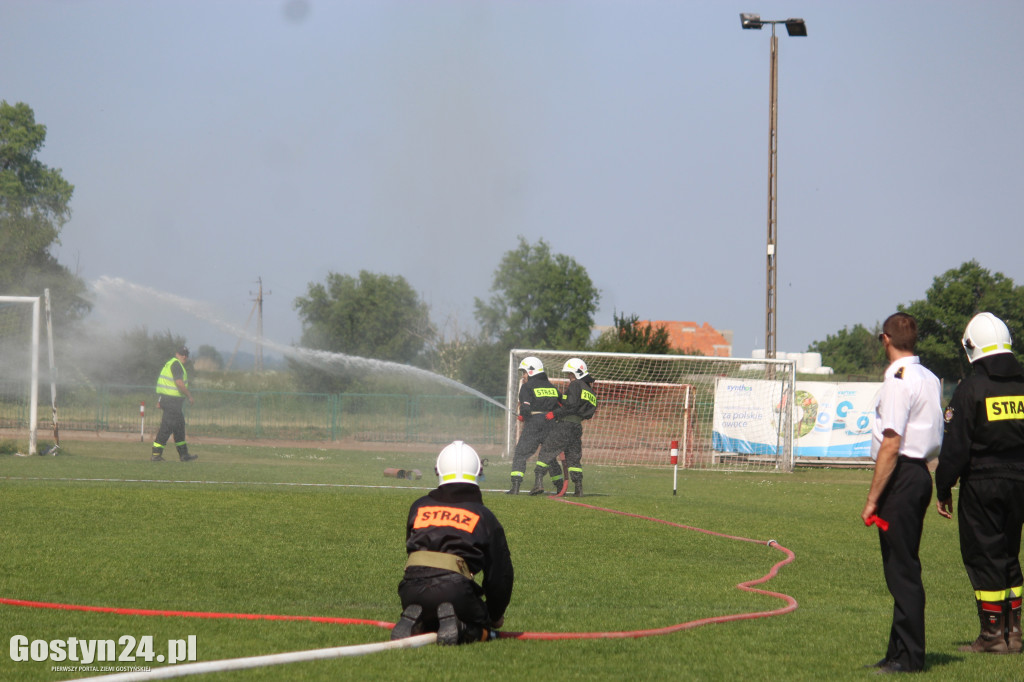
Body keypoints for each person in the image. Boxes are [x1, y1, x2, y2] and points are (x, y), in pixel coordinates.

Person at [934, 312, 1024, 655]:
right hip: (1020, 484)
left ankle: (991, 636)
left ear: (972, 347)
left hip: (983, 485)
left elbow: (955, 447)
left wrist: (943, 488)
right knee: (1009, 554)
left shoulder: (971, 389)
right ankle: (1013, 634)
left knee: (983, 556)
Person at [861, 312, 943, 674]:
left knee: (902, 570)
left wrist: (872, 499)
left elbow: (891, 444)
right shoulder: (929, 376)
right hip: (920, 473)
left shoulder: (898, 379)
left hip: (902, 477)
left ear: (885, 339)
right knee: (901, 565)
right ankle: (897, 651)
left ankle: (909, 657)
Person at [391, 440, 514, 645]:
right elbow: (500, 574)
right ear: (477, 472)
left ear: (438, 471)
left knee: (434, 619)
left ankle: (416, 622)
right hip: (455, 590)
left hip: (410, 589)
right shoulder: (483, 516)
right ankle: (461, 627)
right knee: (481, 626)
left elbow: (411, 548)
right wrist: (494, 615)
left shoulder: (419, 506)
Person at [529, 358, 597, 497]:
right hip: (577, 427)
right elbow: (586, 412)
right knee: (573, 458)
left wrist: (554, 413)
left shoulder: (575, 384)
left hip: (565, 425)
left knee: (546, 451)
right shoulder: (590, 391)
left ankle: (538, 483)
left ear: (576, 373)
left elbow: (570, 405)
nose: (568, 377)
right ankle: (578, 489)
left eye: (569, 374)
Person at [506, 356, 561, 495]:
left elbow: (525, 407)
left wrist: (523, 416)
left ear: (531, 372)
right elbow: (562, 406)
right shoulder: (552, 387)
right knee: (549, 456)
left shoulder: (527, 387)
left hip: (534, 423)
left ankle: (516, 486)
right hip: (551, 423)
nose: (523, 376)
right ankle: (560, 486)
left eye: (524, 372)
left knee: (521, 453)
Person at [151, 346, 197, 462]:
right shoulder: (176, 365)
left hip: (171, 401)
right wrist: (189, 396)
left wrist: (160, 400)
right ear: (177, 354)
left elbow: (165, 385)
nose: (184, 356)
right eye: (182, 354)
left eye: (186, 354)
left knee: (179, 427)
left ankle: (184, 454)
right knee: (167, 427)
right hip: (172, 402)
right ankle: (156, 454)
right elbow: (179, 383)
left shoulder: (171, 364)